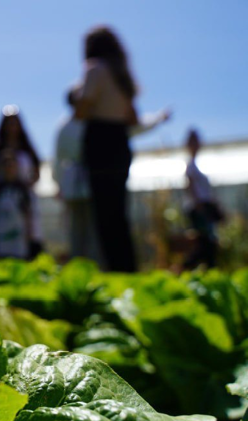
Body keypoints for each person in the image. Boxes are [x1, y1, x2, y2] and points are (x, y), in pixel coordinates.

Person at [53, 87, 171, 262]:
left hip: (98, 179)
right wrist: (59, 184)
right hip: (75, 184)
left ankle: (97, 267)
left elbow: (135, 127)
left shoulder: (96, 122)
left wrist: (158, 118)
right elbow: (59, 158)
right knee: (77, 228)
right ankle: (77, 267)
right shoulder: (67, 126)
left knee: (96, 228)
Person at [72, 26, 140, 272]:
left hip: (100, 142)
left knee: (104, 214)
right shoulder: (122, 75)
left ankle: (114, 269)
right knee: (119, 213)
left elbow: (81, 110)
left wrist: (78, 94)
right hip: (120, 142)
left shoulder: (94, 68)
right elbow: (134, 119)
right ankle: (128, 268)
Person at [0, 105, 43, 257]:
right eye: (9, 122)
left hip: (24, 197)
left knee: (29, 231)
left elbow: (36, 172)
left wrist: (26, 185)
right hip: (3, 198)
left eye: (15, 122)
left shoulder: (27, 149)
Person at [183, 129, 223, 269]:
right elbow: (190, 186)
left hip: (205, 206)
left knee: (207, 242)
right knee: (205, 242)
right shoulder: (190, 166)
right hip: (200, 208)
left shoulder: (197, 165)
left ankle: (205, 270)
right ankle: (185, 268)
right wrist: (199, 205)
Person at [0, 152, 32, 259]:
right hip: (1, 231)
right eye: (7, 166)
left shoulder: (22, 188)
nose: (9, 169)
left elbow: (27, 212)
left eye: (12, 166)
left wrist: (28, 233)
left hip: (18, 232)